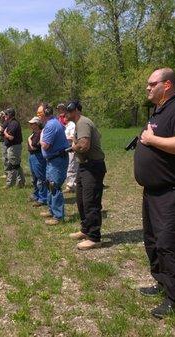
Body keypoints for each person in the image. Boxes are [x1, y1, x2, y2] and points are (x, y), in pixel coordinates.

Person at [134, 67, 175, 318]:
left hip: (172, 193)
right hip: (153, 191)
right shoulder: (160, 110)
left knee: (169, 245)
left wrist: (152, 141)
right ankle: (162, 283)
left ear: (168, 85)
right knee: (152, 242)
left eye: (152, 84)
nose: (148, 88)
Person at [64, 100, 106, 250]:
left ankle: (94, 237)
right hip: (85, 166)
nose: (66, 113)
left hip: (92, 166)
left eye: (69, 110)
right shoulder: (78, 124)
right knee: (81, 200)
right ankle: (85, 230)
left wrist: (72, 147)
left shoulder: (83, 122)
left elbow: (83, 145)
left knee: (90, 201)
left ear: (76, 110)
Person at [38, 103, 70, 225]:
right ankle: (52, 211)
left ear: (45, 113)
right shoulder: (52, 123)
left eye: (39, 113)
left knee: (54, 186)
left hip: (57, 160)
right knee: (49, 185)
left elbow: (46, 145)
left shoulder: (51, 125)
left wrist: (41, 139)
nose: (38, 116)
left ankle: (58, 216)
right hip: (52, 160)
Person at [27, 116, 47, 206]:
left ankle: (43, 198)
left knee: (40, 177)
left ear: (37, 124)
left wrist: (29, 140)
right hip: (32, 156)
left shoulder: (39, 133)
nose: (30, 125)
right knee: (34, 177)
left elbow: (34, 146)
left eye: (32, 124)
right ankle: (36, 194)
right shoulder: (34, 133)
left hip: (38, 156)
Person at [3, 108, 25, 188]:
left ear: (9, 115)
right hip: (13, 147)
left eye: (6, 114)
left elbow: (11, 137)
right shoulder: (11, 122)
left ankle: (10, 184)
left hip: (14, 147)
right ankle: (21, 183)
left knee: (12, 165)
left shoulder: (13, 124)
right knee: (16, 165)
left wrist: (5, 133)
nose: (5, 116)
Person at [59, 103, 78, 193]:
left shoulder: (72, 125)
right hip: (66, 148)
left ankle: (71, 186)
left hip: (71, 147)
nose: (63, 118)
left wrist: (64, 138)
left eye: (64, 117)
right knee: (68, 166)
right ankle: (70, 184)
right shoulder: (66, 125)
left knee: (71, 166)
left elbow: (73, 137)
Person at [0, 110, 9, 179]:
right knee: (5, 156)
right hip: (3, 140)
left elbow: (1, 130)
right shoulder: (5, 122)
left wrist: (0, 125)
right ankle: (7, 172)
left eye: (0, 117)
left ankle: (7, 173)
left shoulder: (5, 123)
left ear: (3, 116)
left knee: (5, 157)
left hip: (5, 141)